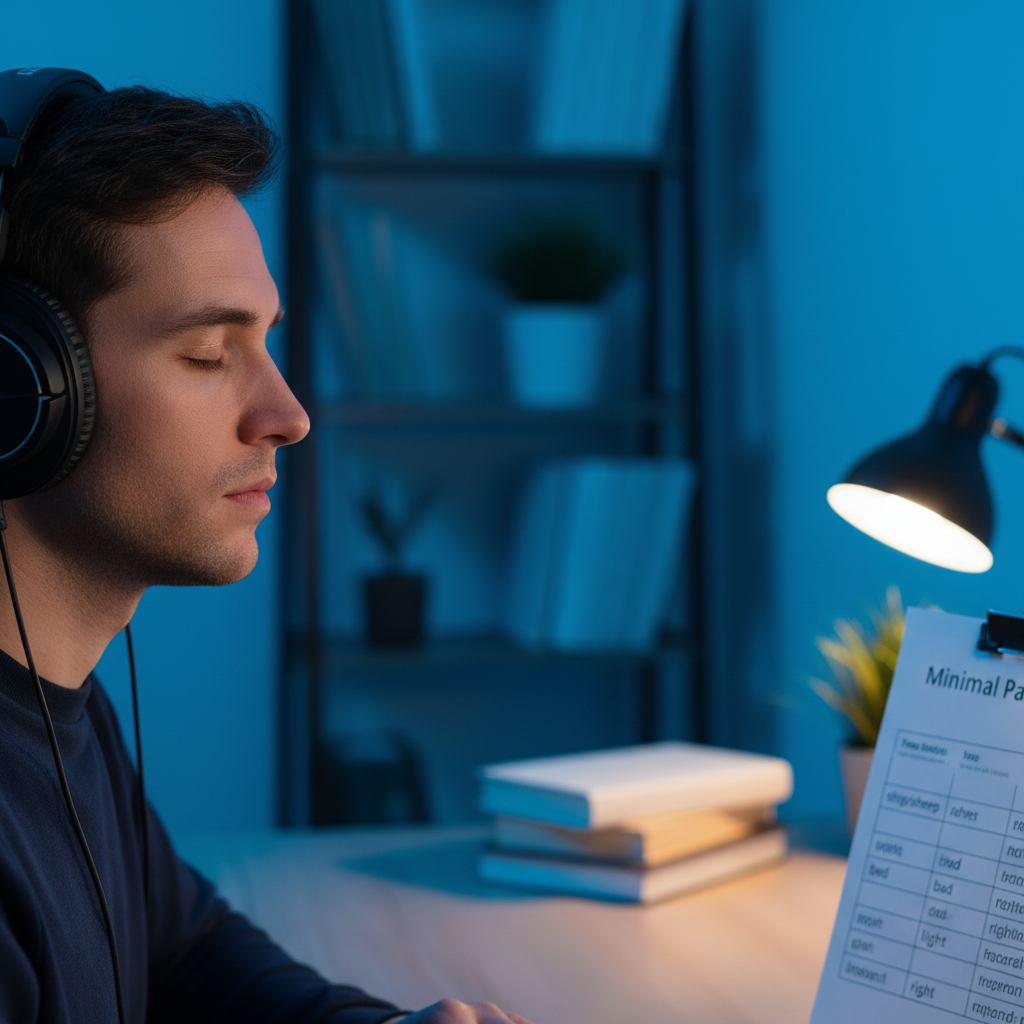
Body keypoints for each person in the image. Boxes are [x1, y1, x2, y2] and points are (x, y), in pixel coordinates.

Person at [0, 79, 534, 1024]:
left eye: (266, 346)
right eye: (209, 354)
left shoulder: (60, 712)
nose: (288, 417)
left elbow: (185, 951)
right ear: (20, 388)